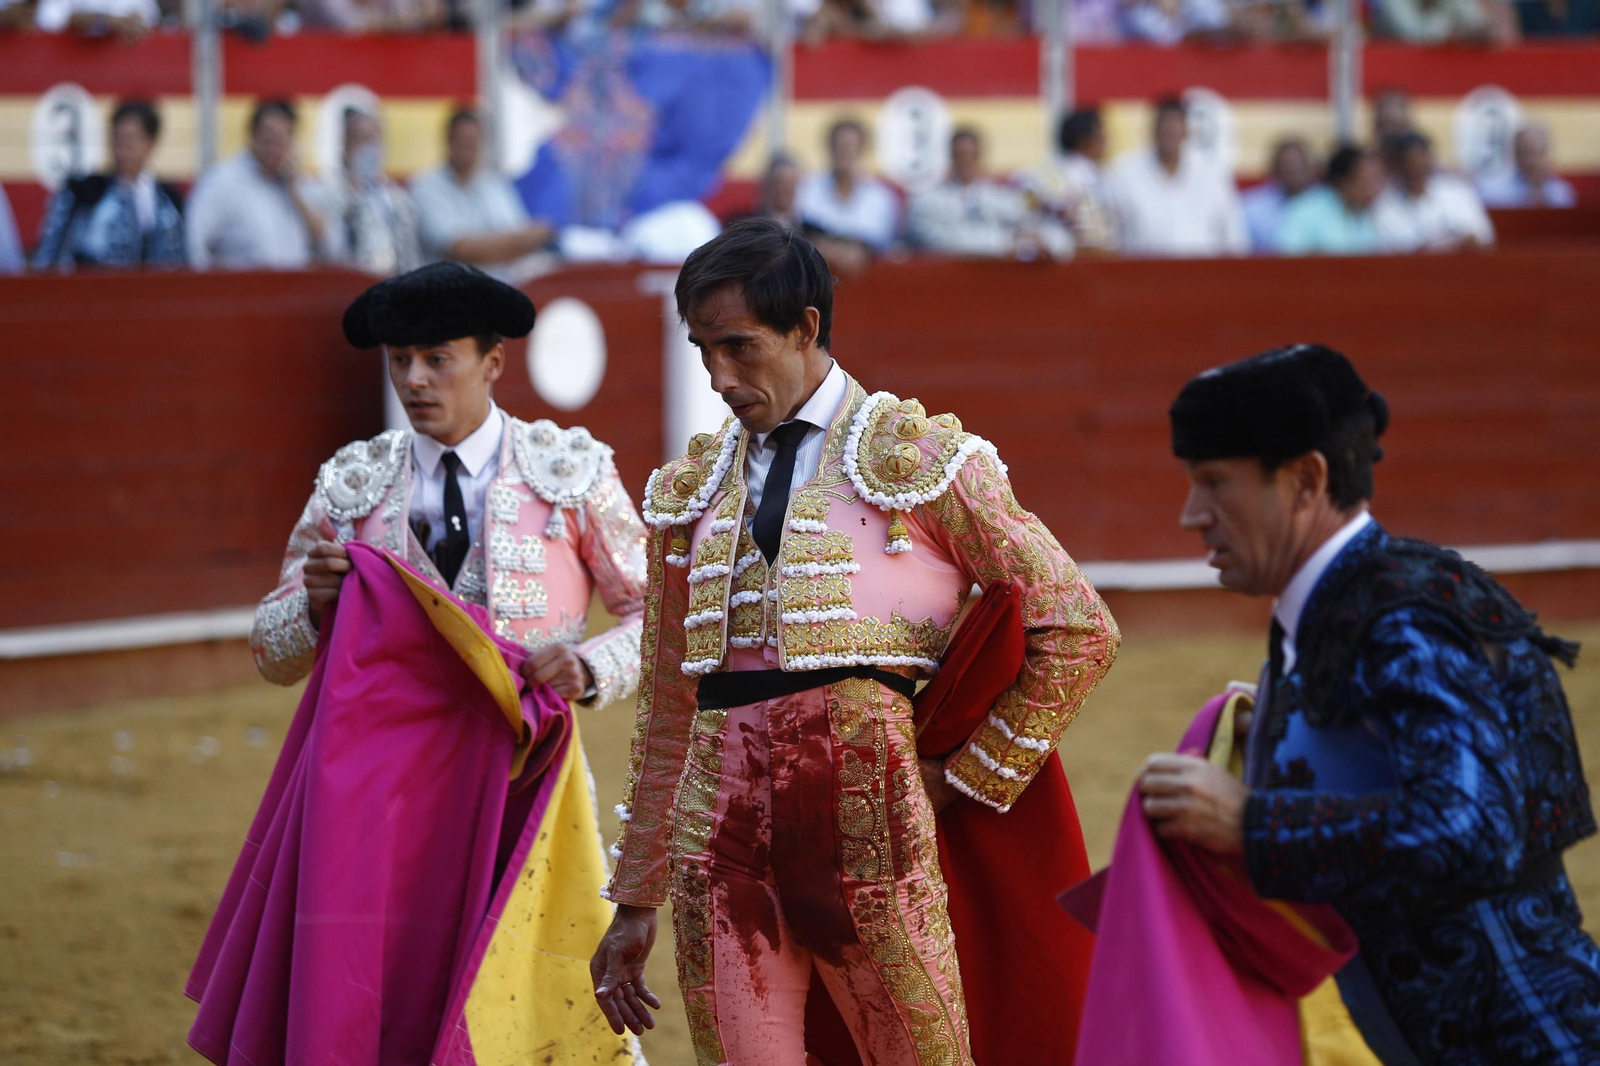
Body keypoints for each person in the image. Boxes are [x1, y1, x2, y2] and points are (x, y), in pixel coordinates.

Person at [590, 217, 1120, 1064]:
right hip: (715, 839)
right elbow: (668, 707)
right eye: (702, 351)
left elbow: (1079, 626)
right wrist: (636, 898)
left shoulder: (922, 459)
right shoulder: (690, 493)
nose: (719, 377)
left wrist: (959, 779)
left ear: (804, 326)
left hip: (872, 826)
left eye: (739, 347)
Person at [193, 262, 646, 1066]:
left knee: (525, 991)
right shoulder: (354, 484)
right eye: (399, 360)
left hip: (524, 779)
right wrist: (316, 606)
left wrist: (589, 664)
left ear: (493, 363)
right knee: (387, 991)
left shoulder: (568, 472)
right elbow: (271, 652)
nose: (414, 379)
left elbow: (658, 618)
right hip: (385, 799)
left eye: (437, 358)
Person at [1142, 343, 1600, 1063]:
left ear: (1304, 479)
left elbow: (1473, 827)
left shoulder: (1399, 615)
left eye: (1214, 482)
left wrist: (1250, 821)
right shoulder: (1339, 604)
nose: (1192, 514)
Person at [33, 99, 185, 270]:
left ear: (150, 143)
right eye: (116, 140)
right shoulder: (82, 193)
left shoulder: (168, 199)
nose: (121, 151)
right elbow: (50, 255)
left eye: (129, 141)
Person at [410, 109, 554, 283]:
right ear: (448, 140)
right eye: (462, 140)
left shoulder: (496, 186)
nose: (468, 146)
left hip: (501, 293)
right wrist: (516, 245)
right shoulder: (424, 189)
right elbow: (459, 252)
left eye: (474, 140)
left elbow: (528, 234)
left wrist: (515, 242)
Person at [186, 99, 330, 270]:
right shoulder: (223, 180)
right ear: (252, 135)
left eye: (282, 140)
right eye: (268, 138)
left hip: (294, 290)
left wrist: (294, 189)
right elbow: (193, 241)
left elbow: (325, 241)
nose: (274, 148)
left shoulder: (297, 183)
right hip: (242, 291)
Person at [1107, 97, 1248, 257]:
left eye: (1176, 124)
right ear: (1153, 129)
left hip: (1203, 275)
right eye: (1164, 125)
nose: (1170, 131)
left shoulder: (1212, 174)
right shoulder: (1123, 174)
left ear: (1187, 131)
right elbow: (1111, 236)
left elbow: (1233, 236)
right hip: (1142, 274)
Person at [910, 126, 1072, 258]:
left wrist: (1044, 242)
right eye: (960, 156)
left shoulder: (1002, 199)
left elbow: (1055, 236)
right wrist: (1005, 243)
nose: (966, 163)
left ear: (980, 157)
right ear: (951, 158)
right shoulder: (926, 202)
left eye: (971, 156)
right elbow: (942, 242)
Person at [322, 106, 423, 275]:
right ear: (345, 144)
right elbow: (328, 245)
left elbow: (409, 253)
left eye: (371, 139)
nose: (366, 148)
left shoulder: (395, 197)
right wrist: (354, 187)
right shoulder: (327, 190)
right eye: (359, 139)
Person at [1019, 107, 1119, 253]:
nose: (1107, 138)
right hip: (1073, 260)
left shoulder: (1104, 175)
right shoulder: (1054, 177)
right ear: (1087, 138)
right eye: (1101, 131)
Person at [795, 118, 899, 257]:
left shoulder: (880, 197)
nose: (843, 151)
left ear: (861, 150)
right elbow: (801, 233)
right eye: (839, 145)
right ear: (829, 147)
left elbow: (879, 242)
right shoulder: (805, 189)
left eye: (849, 146)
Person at [1375, 132, 1495, 252]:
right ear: (1398, 167)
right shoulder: (1385, 204)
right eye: (1409, 164)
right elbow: (1386, 250)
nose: (1416, 169)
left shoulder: (1457, 192)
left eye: (1421, 164)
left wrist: (1454, 243)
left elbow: (1484, 238)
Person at [1275, 145, 1383, 256]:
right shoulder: (1303, 211)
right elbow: (1288, 259)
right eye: (1366, 181)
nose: (1373, 189)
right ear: (1343, 182)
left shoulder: (1364, 215)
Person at [1241, 137, 1317, 253]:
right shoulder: (1251, 206)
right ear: (1274, 169)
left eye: (1298, 164)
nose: (1293, 169)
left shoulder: (1324, 204)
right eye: (1287, 164)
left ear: (1311, 169)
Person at [1477, 124, 1577, 208]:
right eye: (1525, 153)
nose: (1530, 161)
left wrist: (1538, 188)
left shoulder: (1561, 191)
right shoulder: (1495, 191)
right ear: (1515, 153)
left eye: (1535, 153)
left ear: (1546, 154)